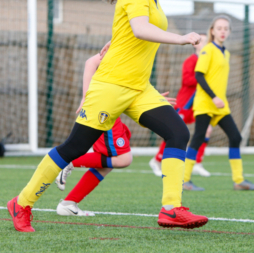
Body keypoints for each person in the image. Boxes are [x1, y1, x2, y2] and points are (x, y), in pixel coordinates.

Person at [7, 0, 208, 232]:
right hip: (111, 86)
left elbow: (130, 35)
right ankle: (21, 203)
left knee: (178, 132)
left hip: (139, 88)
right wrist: (182, 38)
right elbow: (140, 30)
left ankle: (171, 209)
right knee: (74, 147)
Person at [54, 52, 176, 217]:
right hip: (104, 110)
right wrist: (86, 97)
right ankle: (68, 161)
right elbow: (91, 62)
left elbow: (126, 84)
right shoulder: (126, 40)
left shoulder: (140, 49)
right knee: (123, 158)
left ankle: (69, 203)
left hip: (111, 109)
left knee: (108, 163)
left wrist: (149, 99)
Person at [182, 15, 254, 191]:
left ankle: (239, 181)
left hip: (221, 105)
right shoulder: (207, 49)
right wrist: (213, 97)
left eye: (226, 28)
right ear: (212, 31)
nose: (223, 31)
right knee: (198, 138)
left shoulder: (225, 52)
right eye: (219, 28)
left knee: (235, 137)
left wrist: (219, 99)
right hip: (205, 102)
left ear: (229, 32)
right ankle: (184, 180)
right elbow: (199, 75)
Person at [149, 34, 213, 178]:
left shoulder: (209, 61)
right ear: (195, 44)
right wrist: (203, 78)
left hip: (199, 104)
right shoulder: (191, 61)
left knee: (207, 130)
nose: (205, 43)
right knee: (174, 131)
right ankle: (157, 160)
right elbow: (187, 80)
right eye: (202, 41)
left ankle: (197, 162)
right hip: (185, 103)